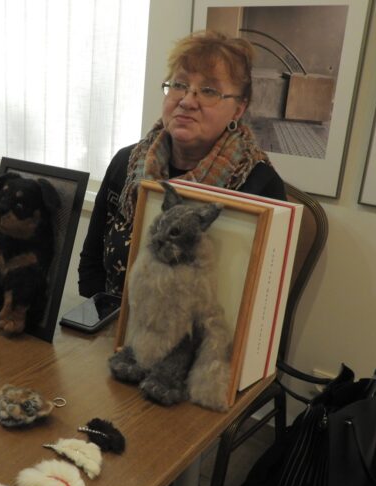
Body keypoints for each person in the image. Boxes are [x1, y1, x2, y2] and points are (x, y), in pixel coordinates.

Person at [78, 30, 286, 299]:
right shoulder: (125, 164)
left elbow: (260, 299)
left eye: (209, 91)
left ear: (238, 109)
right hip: (110, 318)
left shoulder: (260, 186)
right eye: (179, 85)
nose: (187, 101)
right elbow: (91, 263)